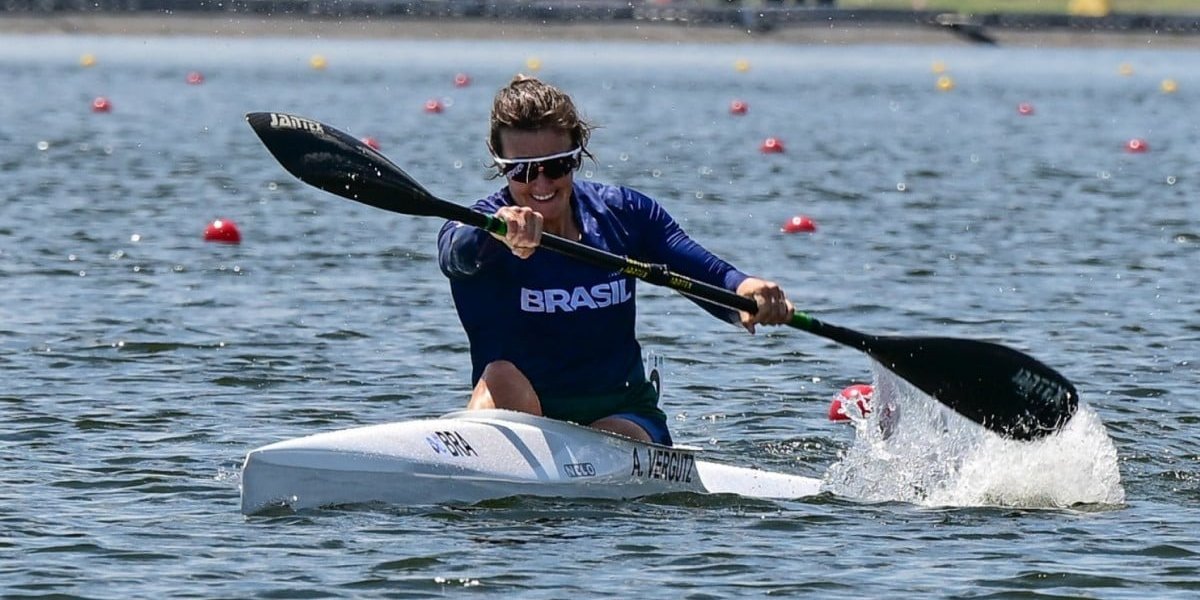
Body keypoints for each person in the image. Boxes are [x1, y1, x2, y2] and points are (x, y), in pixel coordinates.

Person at [437, 75, 793, 446]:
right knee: (501, 376)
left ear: (577, 156)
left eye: (557, 166)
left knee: (613, 436)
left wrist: (746, 290)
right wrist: (494, 233)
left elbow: (702, 270)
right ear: (500, 164)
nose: (541, 184)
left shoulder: (623, 214)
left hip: (620, 416)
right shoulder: (477, 228)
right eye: (523, 170)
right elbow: (454, 256)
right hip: (520, 408)